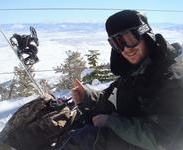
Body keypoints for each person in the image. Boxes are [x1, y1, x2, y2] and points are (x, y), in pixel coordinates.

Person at [58, 9, 183, 150]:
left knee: (85, 139)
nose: (126, 49)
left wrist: (111, 122)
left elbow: (162, 138)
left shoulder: (172, 78)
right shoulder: (136, 70)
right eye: (117, 43)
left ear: (145, 35)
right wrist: (87, 95)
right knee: (70, 127)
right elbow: (114, 97)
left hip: (154, 144)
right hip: (135, 137)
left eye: (130, 40)